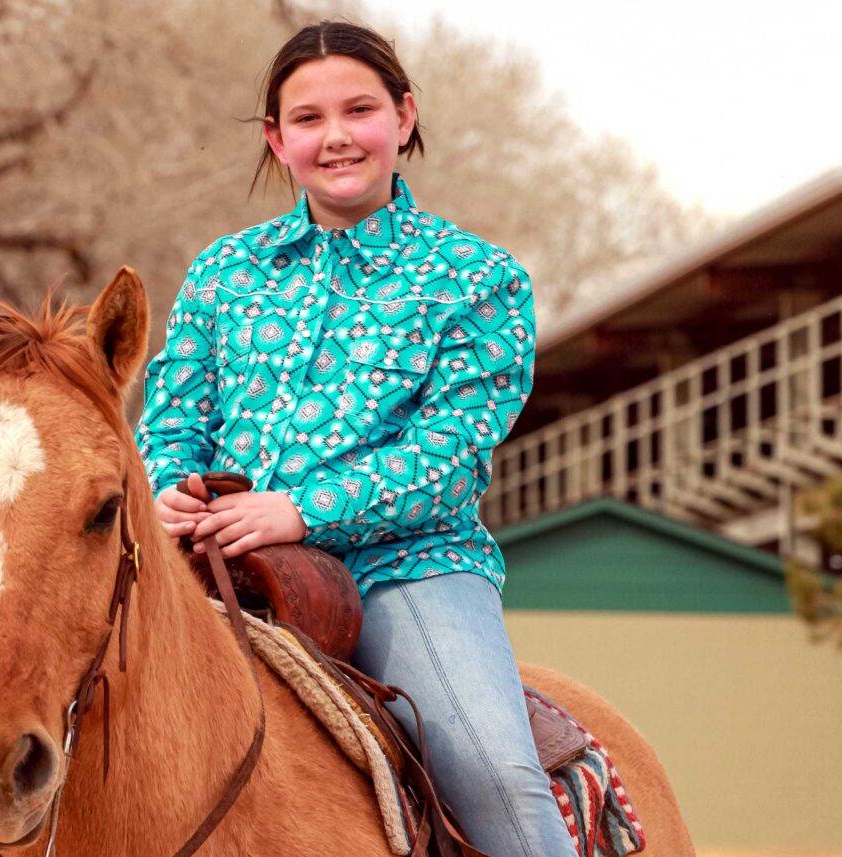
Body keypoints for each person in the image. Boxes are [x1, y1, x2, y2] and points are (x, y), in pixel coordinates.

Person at [135, 20, 575, 857]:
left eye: (359, 110)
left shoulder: (478, 279)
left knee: (493, 774)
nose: (335, 136)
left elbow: (448, 459)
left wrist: (298, 512)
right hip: (211, 561)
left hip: (403, 569)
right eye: (307, 119)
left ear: (404, 118)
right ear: (277, 139)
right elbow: (173, 415)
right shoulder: (223, 271)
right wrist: (171, 486)